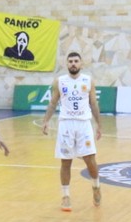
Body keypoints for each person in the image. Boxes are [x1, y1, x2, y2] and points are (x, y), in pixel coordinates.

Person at [41, 51, 103, 212]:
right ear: (66, 64)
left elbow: (94, 104)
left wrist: (99, 125)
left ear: (81, 64)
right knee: (65, 161)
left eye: (76, 61)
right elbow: (53, 103)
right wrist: (46, 121)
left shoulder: (88, 80)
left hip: (84, 124)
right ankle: (65, 195)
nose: (73, 64)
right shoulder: (60, 81)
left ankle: (96, 185)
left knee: (90, 160)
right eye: (70, 61)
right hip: (66, 124)